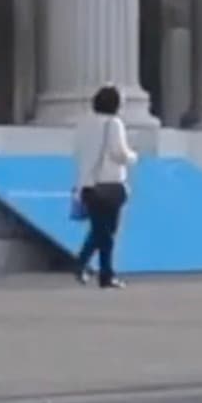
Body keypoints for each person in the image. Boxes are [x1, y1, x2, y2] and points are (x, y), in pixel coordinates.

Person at [71, 84, 137, 289]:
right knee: (107, 233)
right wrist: (132, 157)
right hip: (110, 183)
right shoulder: (114, 123)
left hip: (88, 184)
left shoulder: (84, 124)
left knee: (100, 231)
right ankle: (104, 273)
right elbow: (118, 153)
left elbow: (79, 152)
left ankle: (84, 264)